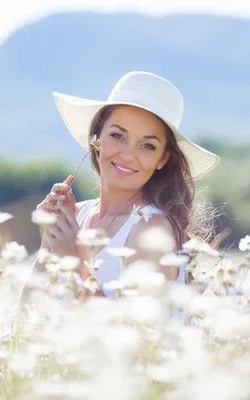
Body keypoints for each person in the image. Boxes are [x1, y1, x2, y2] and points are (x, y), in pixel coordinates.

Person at [30, 71, 220, 298]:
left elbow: (132, 329)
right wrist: (48, 239)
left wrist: (74, 262)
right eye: (118, 136)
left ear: (162, 159)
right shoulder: (76, 216)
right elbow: (27, 314)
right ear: (96, 138)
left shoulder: (153, 230)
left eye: (147, 145)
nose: (128, 155)